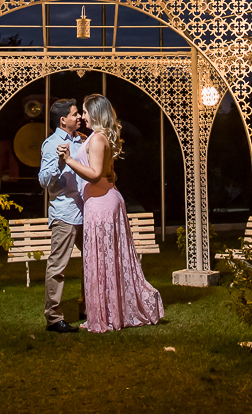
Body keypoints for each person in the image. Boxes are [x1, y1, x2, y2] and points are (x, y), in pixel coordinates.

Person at [58, 94, 163, 333]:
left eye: (84, 112)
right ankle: (109, 311)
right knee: (106, 259)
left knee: (102, 259)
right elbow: (107, 171)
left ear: (94, 113)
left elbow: (95, 173)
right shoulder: (98, 137)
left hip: (101, 204)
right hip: (105, 199)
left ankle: (106, 316)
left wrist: (68, 160)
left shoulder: (97, 140)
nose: (82, 116)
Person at [37, 98, 87, 333]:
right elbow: (44, 180)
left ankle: (89, 307)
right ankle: (54, 318)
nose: (79, 117)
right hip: (65, 214)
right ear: (62, 120)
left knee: (92, 262)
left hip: (86, 212)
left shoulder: (81, 141)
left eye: (79, 114)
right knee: (58, 267)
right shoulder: (52, 144)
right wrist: (59, 161)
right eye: (75, 114)